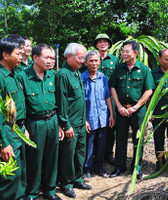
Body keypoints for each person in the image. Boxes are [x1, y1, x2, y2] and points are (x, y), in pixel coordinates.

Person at [17, 44, 63, 200]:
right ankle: (32, 192)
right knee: (34, 158)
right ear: (35, 58)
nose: (51, 61)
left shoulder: (53, 76)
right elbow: (21, 105)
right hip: (34, 123)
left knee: (52, 157)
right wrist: (23, 127)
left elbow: (58, 101)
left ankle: (50, 190)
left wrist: (59, 126)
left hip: (52, 120)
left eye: (52, 58)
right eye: (47, 58)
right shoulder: (23, 77)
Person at [0, 37, 27, 200]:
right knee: (10, 175)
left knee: (20, 172)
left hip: (18, 129)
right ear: (5, 55)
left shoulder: (13, 72)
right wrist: (3, 143)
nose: (21, 57)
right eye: (18, 54)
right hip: (7, 131)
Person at [109, 41, 155, 179]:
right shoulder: (119, 68)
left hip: (137, 110)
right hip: (121, 109)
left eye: (127, 51)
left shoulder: (144, 69)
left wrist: (136, 107)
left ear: (135, 53)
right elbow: (113, 87)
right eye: (123, 51)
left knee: (138, 139)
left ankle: (137, 168)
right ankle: (119, 166)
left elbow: (148, 90)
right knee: (121, 138)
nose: (124, 54)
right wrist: (118, 106)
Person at [55, 43, 92, 198]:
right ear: (69, 57)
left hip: (80, 123)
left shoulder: (77, 73)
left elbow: (79, 101)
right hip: (70, 124)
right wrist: (65, 124)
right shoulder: (63, 75)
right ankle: (66, 183)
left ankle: (77, 179)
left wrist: (84, 120)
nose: (82, 61)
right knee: (67, 156)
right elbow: (62, 102)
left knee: (80, 153)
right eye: (80, 57)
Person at [81, 50, 114, 181]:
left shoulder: (103, 77)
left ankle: (99, 166)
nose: (94, 63)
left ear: (100, 62)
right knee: (89, 144)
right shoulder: (82, 78)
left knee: (101, 143)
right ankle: (87, 169)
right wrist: (84, 120)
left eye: (96, 61)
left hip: (103, 117)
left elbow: (107, 97)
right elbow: (81, 102)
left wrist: (111, 114)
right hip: (89, 117)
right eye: (91, 61)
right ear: (86, 63)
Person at [93, 33, 119, 165]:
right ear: (96, 45)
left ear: (109, 44)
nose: (102, 44)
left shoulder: (115, 60)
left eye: (105, 42)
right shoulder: (92, 58)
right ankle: (97, 154)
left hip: (111, 99)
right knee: (96, 126)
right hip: (95, 97)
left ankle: (109, 153)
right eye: (100, 42)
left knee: (111, 126)